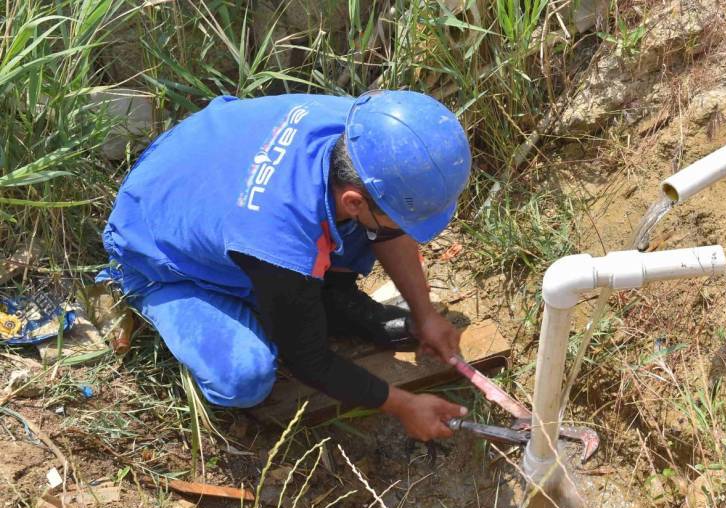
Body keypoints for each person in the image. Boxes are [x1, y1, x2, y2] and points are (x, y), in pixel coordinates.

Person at [98, 90, 472, 441]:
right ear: (354, 200)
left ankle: (318, 297)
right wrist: (406, 406)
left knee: (373, 225)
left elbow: (386, 226)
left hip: (197, 165)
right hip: (150, 238)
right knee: (245, 378)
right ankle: (165, 288)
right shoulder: (280, 236)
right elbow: (310, 361)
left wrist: (425, 315)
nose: (407, 229)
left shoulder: (366, 132)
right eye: (404, 221)